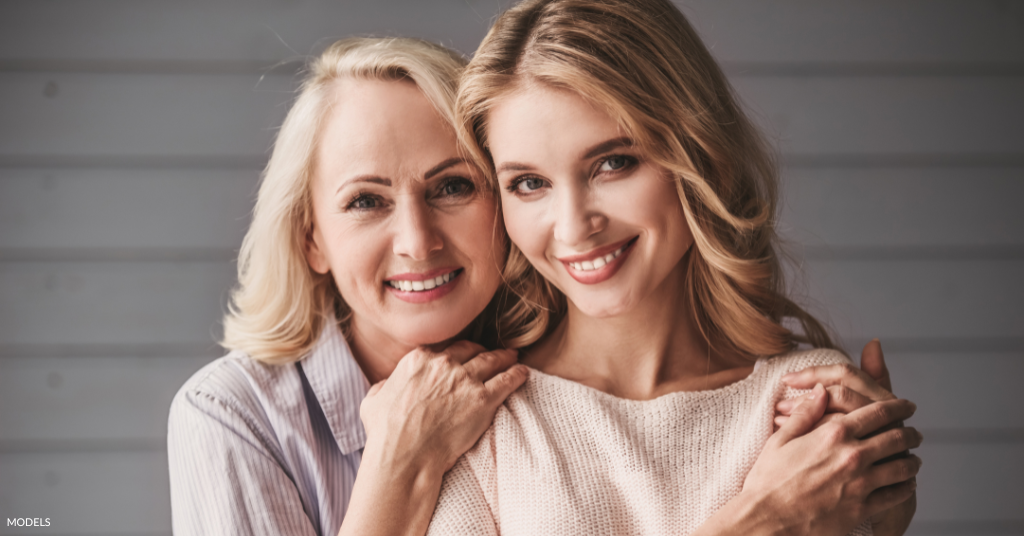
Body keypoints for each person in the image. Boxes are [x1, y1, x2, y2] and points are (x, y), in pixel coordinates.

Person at [168, 31, 910, 536]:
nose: (417, 241)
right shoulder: (234, 415)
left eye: (455, 186)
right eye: (365, 200)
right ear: (311, 239)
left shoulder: (510, 386)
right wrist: (398, 463)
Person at [425, 0, 921, 534]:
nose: (572, 228)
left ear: (696, 153)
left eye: (613, 163)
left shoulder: (807, 399)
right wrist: (761, 521)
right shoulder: (482, 414)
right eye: (529, 183)